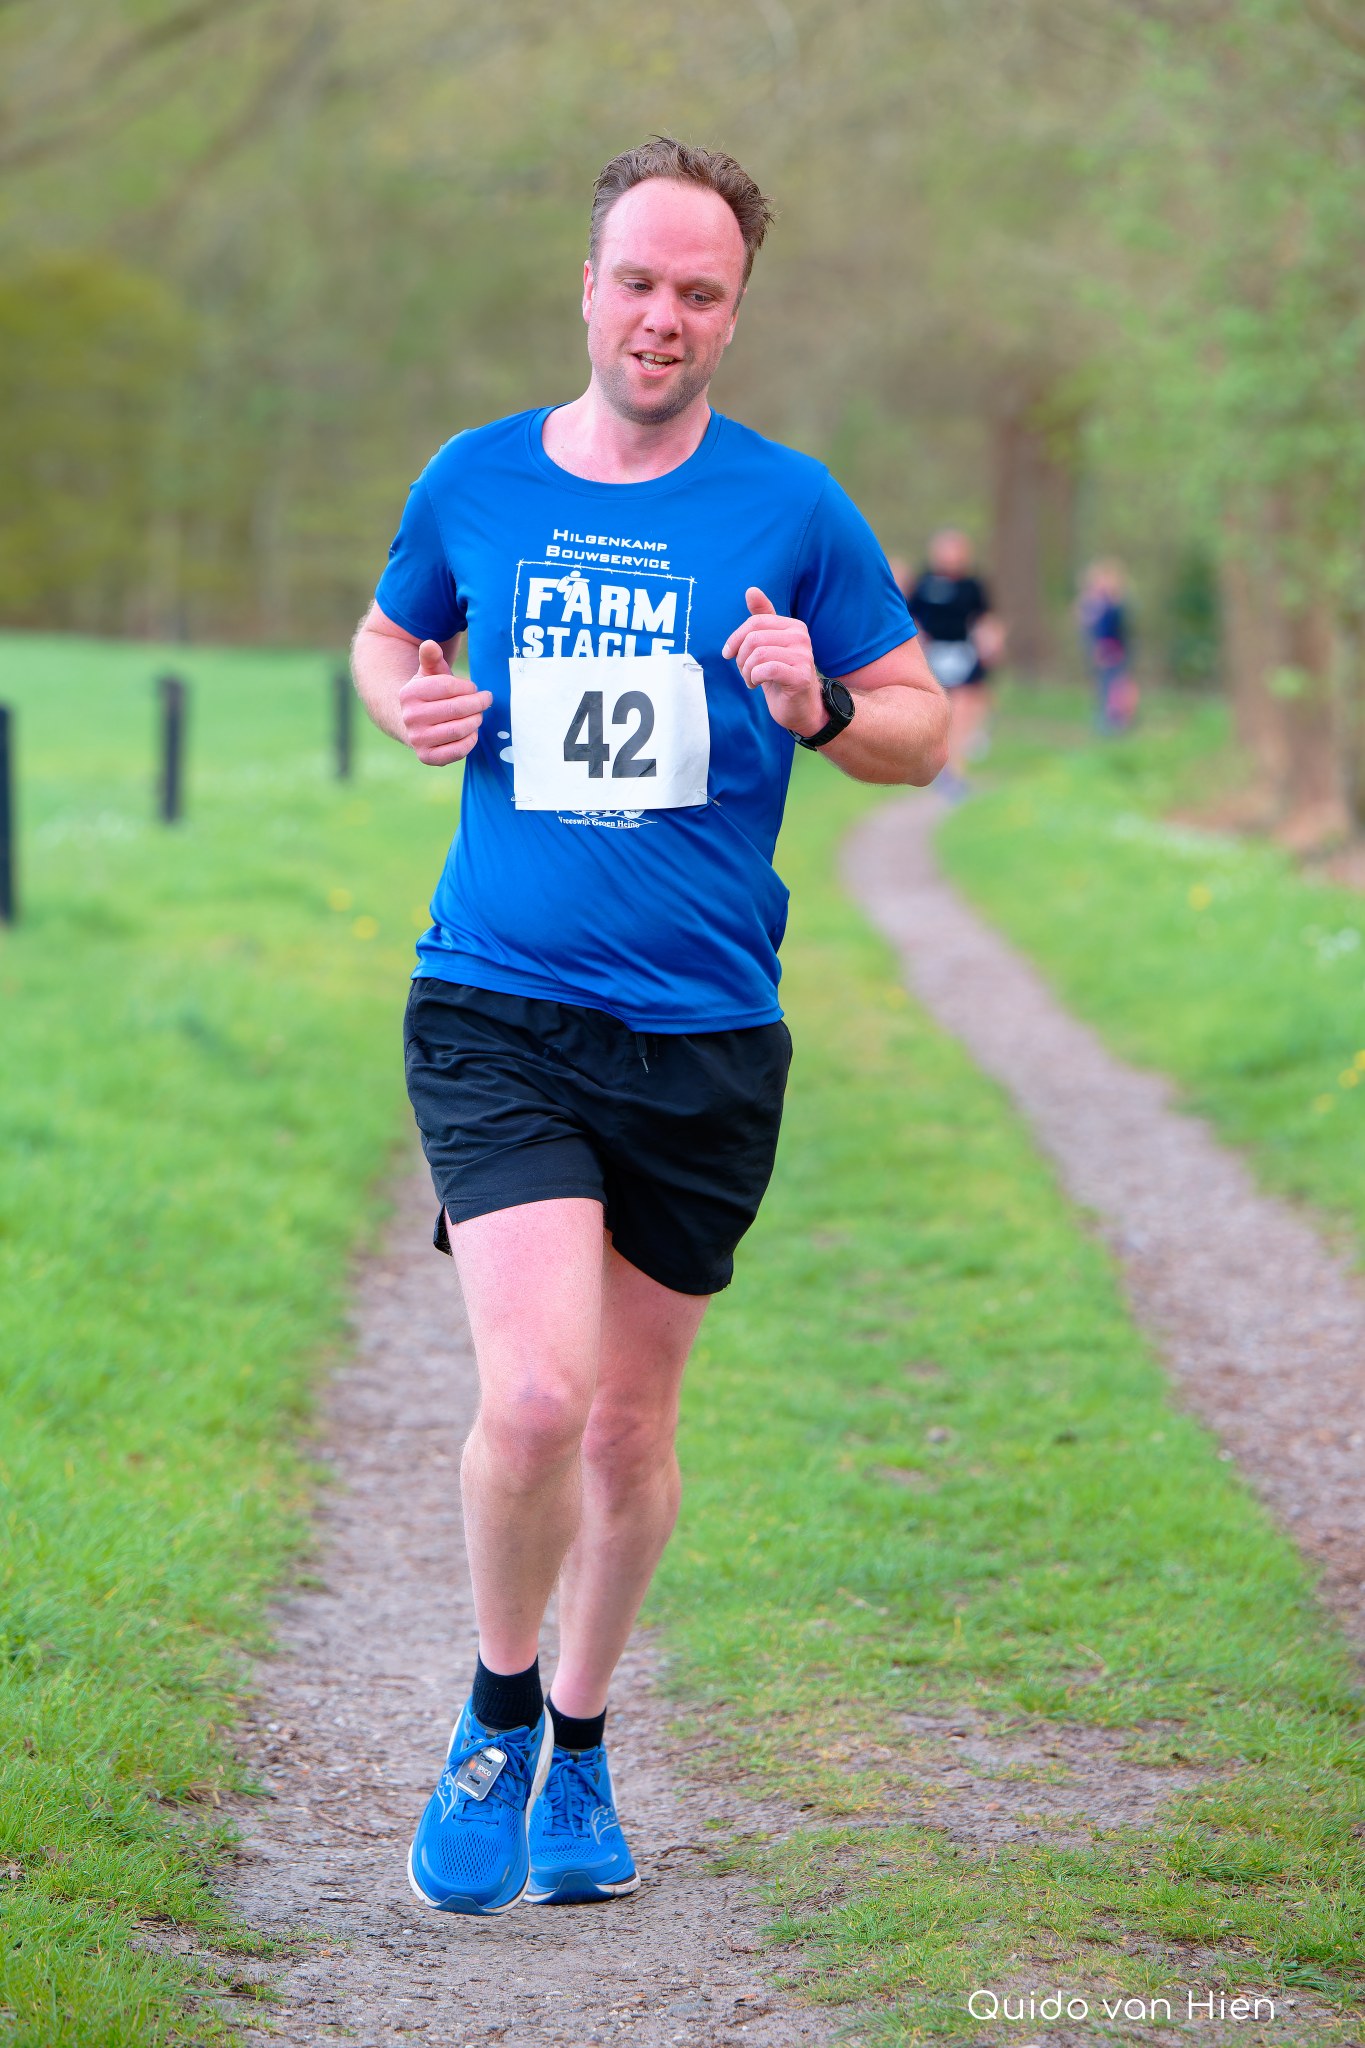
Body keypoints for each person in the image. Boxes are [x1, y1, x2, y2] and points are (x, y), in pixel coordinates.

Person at [350, 136, 948, 1919]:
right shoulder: (475, 476)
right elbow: (386, 637)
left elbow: (922, 727)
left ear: (733, 315)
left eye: (700, 291)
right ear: (588, 287)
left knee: (625, 1428)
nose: (662, 314)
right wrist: (408, 705)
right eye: (638, 280)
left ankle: (586, 1739)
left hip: (701, 1031)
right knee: (537, 1391)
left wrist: (820, 703)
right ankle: (494, 1714)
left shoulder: (794, 509)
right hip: (499, 1001)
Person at [904, 531, 1004, 797]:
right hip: (932, 655)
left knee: (962, 710)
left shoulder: (972, 585)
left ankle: (956, 770)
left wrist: (991, 641)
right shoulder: (924, 582)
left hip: (963, 654)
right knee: (940, 713)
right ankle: (937, 763)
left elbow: (984, 618)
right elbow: (909, 616)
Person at [1078, 558, 1136, 733]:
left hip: (1114, 649)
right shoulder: (1099, 604)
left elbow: (1119, 629)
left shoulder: (1115, 604)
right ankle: (1107, 721)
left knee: (1115, 686)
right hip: (1104, 649)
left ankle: (1115, 721)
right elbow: (1089, 624)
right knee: (1105, 685)